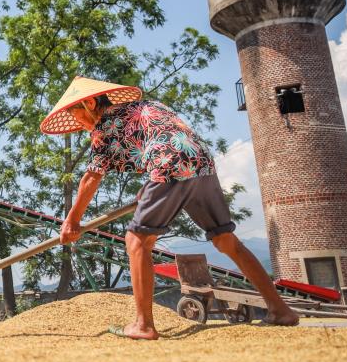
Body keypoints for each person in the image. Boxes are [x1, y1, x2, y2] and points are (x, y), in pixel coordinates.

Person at [40, 76, 299, 339]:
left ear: (91, 103)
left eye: (78, 117)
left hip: (169, 164)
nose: (80, 126)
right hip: (201, 163)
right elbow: (162, 138)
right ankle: (280, 310)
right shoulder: (147, 107)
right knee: (225, 240)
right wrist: (148, 188)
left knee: (137, 240)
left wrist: (71, 221)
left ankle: (143, 325)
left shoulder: (104, 126)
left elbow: (92, 177)